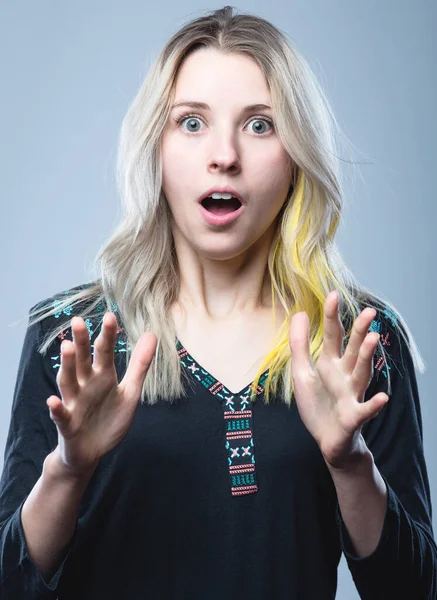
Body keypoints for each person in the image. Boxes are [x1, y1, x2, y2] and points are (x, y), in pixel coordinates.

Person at [0, 5, 435, 599]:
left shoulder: (359, 341)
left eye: (260, 125)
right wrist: (69, 470)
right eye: (192, 122)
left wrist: (350, 460)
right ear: (156, 145)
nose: (224, 155)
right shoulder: (71, 340)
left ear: (296, 157)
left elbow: (412, 590)